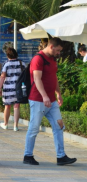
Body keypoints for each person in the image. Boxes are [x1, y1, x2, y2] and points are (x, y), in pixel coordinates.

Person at [23, 38, 77, 166]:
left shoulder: (52, 60)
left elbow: (54, 77)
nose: (59, 53)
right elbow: (37, 79)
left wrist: (58, 93)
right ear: (51, 46)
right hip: (38, 99)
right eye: (58, 50)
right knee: (34, 127)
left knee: (59, 126)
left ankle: (61, 156)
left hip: (51, 101)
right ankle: (28, 155)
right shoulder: (38, 59)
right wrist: (44, 96)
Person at [0, 47, 25, 131]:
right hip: (18, 88)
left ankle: (6, 124)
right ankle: (15, 126)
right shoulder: (22, 63)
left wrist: (0, 88)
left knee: (7, 106)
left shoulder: (6, 64)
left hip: (8, 88)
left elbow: (2, 77)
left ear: (7, 55)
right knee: (16, 106)